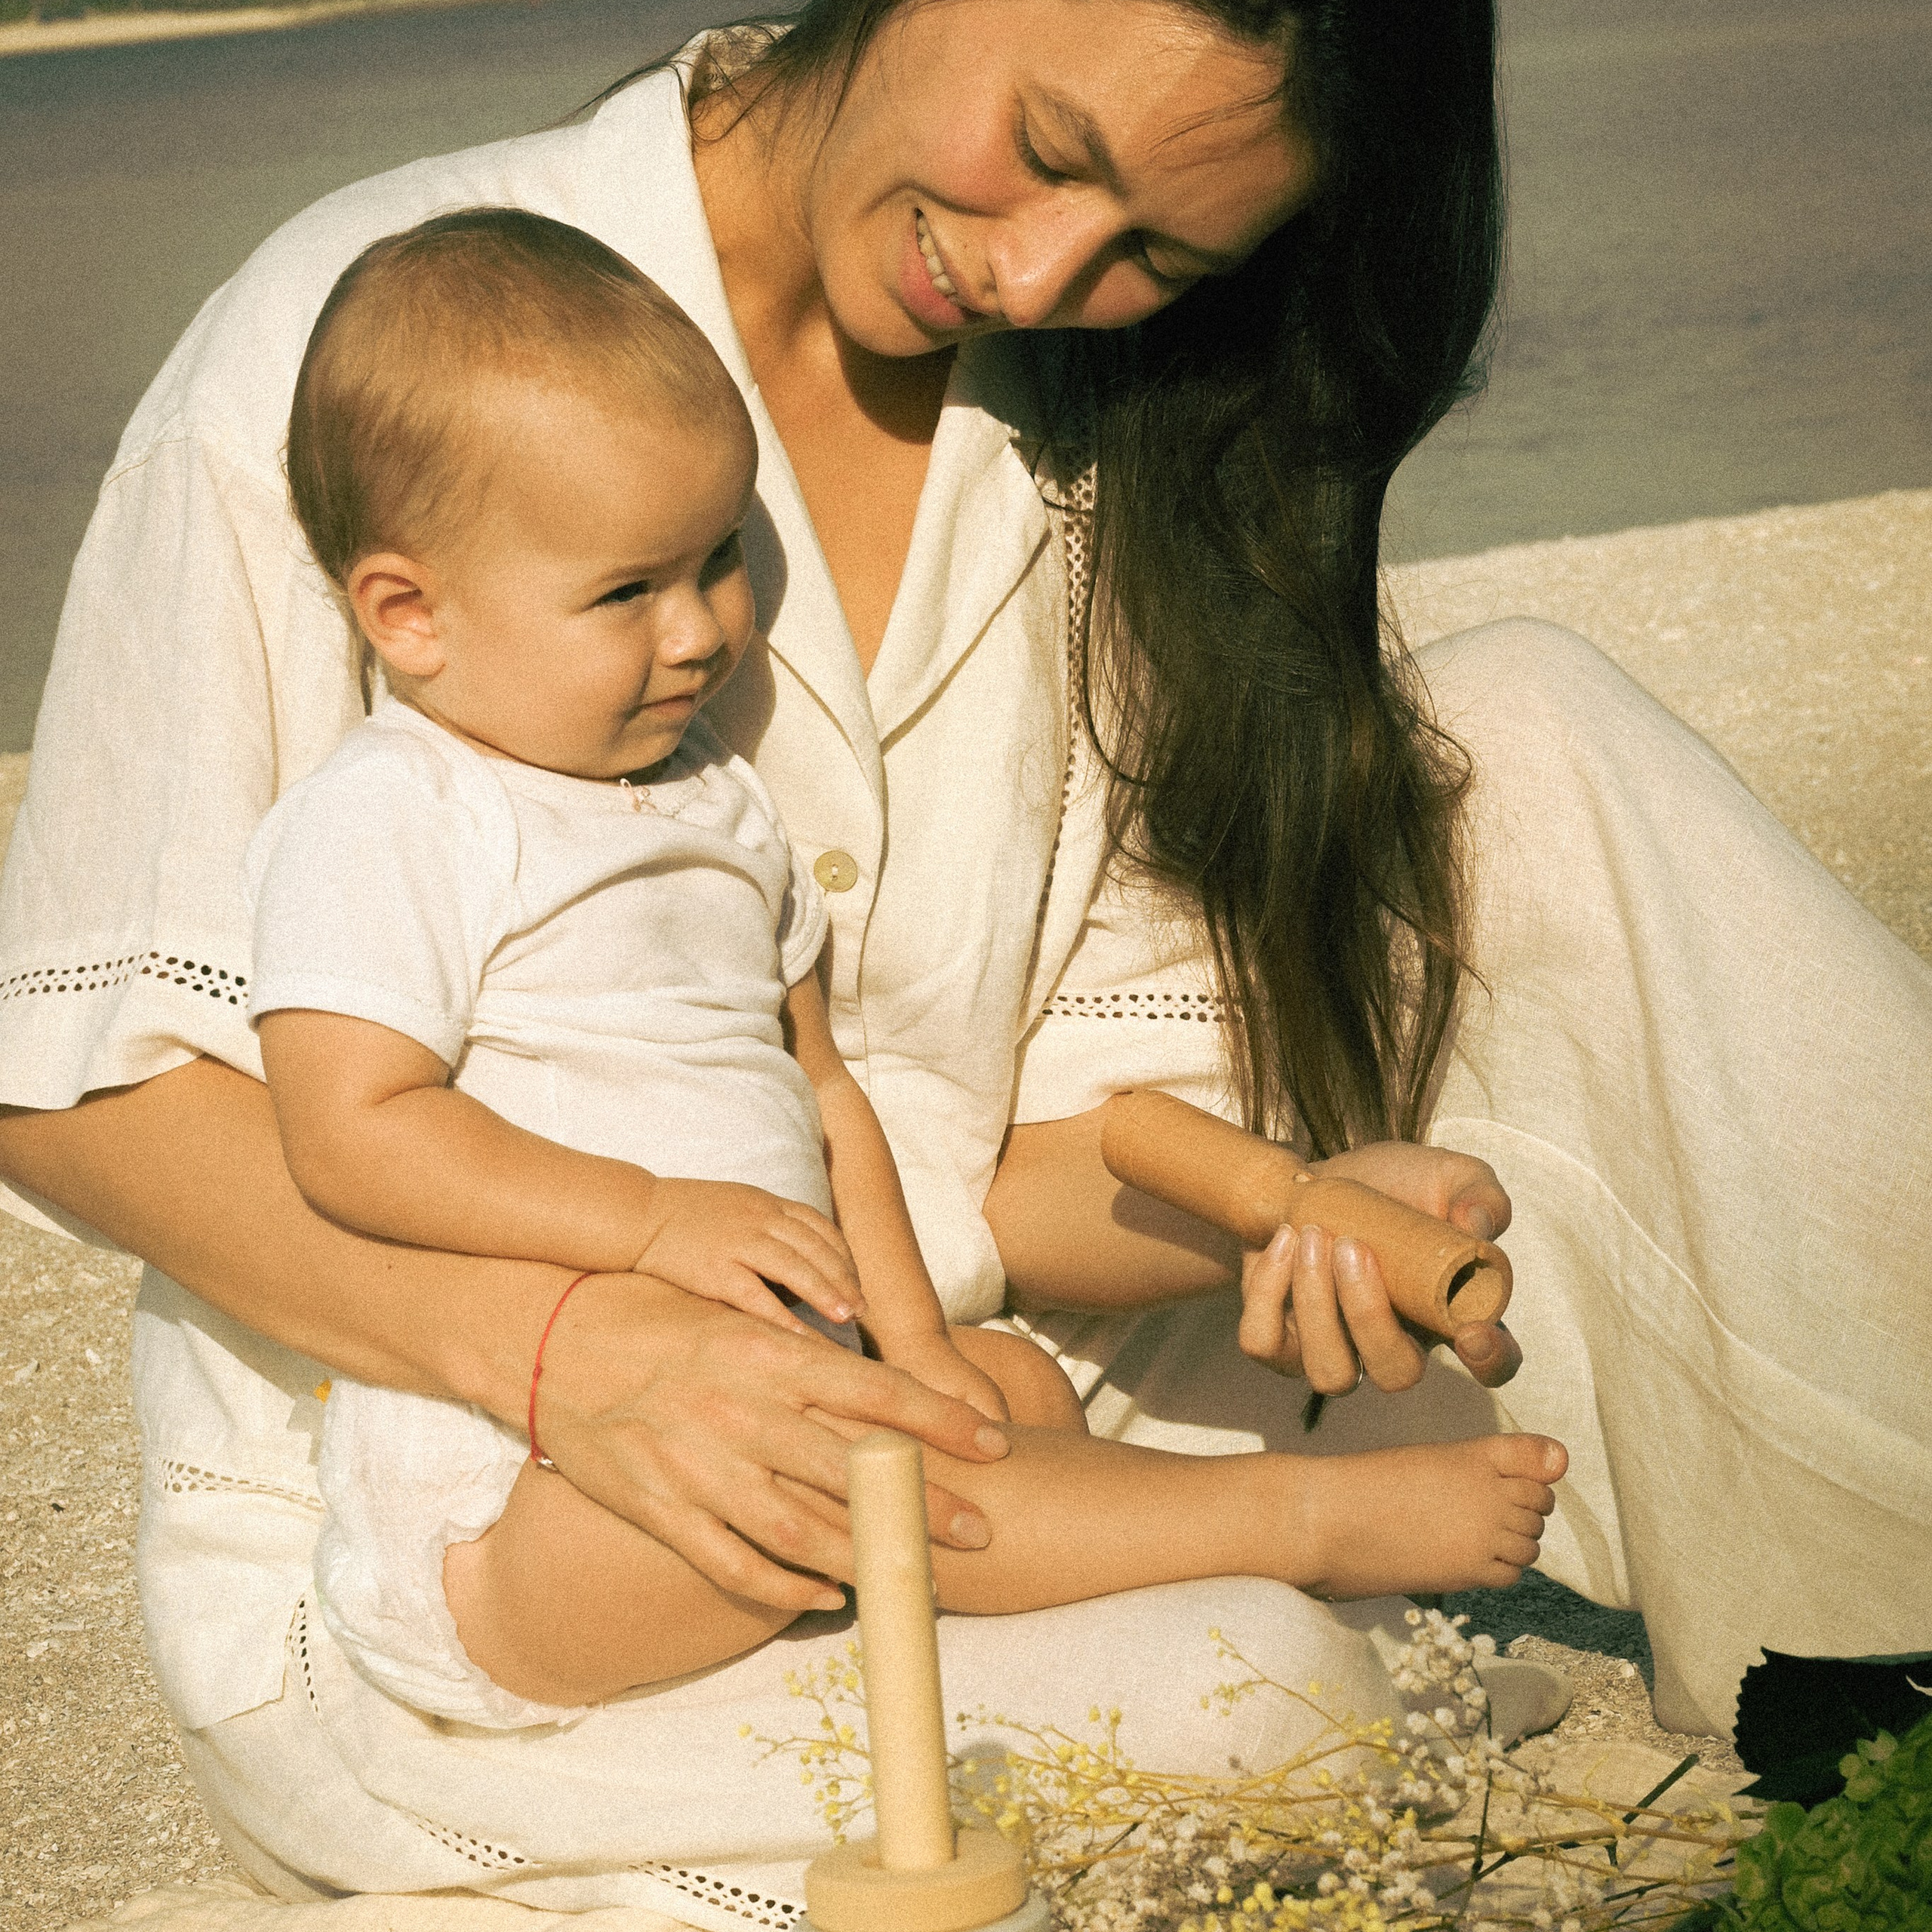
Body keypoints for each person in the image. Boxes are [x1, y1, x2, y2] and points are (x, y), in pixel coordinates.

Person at [0, 0, 1925, 1915]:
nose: (1035, 272)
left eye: (1156, 252)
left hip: (936, 1359)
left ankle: (1891, 1597)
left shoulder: (1111, 418)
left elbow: (983, 1163)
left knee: (1536, 731)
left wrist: (1275, 1201)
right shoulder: (367, 340)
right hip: (493, 1492)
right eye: (1054, 144)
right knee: (1257, 1692)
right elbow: (73, 1088)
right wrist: (567, 1343)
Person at [260, 207, 1564, 1725]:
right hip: (522, 1508)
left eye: (715, 563)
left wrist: (920, 1329)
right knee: (872, 1478)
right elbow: (348, 1129)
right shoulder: (391, 810)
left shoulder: (714, 806)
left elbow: (823, 1094)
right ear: (406, 615)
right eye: (627, 592)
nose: (698, 634)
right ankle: (1294, 1520)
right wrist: (644, 1217)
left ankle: (1175, 1564)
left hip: (759, 1398)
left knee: (992, 1397)